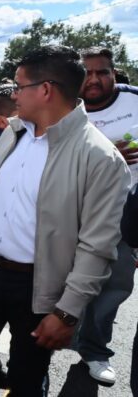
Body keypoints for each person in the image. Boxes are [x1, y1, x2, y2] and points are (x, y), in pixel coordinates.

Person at [0, 45, 131, 396]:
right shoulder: (14, 133)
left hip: (38, 291)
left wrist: (66, 313)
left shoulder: (100, 158)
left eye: (20, 86)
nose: (14, 95)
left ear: (45, 90)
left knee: (27, 383)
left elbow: (97, 246)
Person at [75, 46, 138, 384]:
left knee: (114, 285)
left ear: (114, 72)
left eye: (103, 72)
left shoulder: (134, 100)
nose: (95, 79)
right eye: (87, 73)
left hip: (125, 211)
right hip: (75, 209)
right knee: (59, 280)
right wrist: (109, 157)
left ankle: (95, 350)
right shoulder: (65, 105)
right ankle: (51, 338)